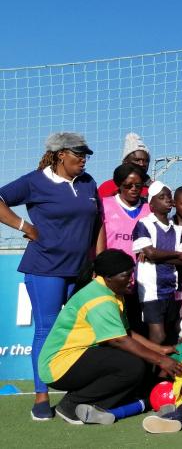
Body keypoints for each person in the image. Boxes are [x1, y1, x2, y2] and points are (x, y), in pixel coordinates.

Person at [0, 132, 99, 420]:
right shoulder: (35, 181)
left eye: (86, 155)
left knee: (78, 333)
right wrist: (24, 226)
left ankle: (77, 392)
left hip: (80, 270)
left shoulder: (88, 182)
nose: (84, 159)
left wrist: (98, 261)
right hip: (45, 268)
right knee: (47, 329)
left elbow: (98, 223)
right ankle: (41, 398)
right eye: (78, 154)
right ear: (60, 155)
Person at [39, 250, 182, 425]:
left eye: (132, 273)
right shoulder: (100, 299)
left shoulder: (109, 291)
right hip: (59, 366)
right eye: (126, 275)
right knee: (132, 366)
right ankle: (72, 405)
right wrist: (161, 360)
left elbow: (125, 333)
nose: (132, 279)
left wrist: (160, 350)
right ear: (108, 277)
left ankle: (93, 405)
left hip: (75, 360)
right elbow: (118, 340)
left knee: (138, 361)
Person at [132, 182, 182, 344]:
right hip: (150, 289)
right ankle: (150, 367)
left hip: (170, 288)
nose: (168, 200)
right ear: (151, 204)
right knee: (158, 336)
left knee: (170, 334)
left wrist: (156, 255)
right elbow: (150, 253)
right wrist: (174, 254)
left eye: (169, 197)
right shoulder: (144, 224)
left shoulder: (176, 230)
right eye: (162, 197)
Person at [97, 164, 150, 258]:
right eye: (128, 186)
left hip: (142, 270)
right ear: (119, 185)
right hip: (112, 270)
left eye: (138, 185)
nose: (133, 189)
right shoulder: (104, 205)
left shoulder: (150, 209)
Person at [97, 133, 151, 198]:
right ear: (125, 162)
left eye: (146, 161)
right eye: (137, 160)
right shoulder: (108, 187)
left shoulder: (155, 189)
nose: (142, 164)